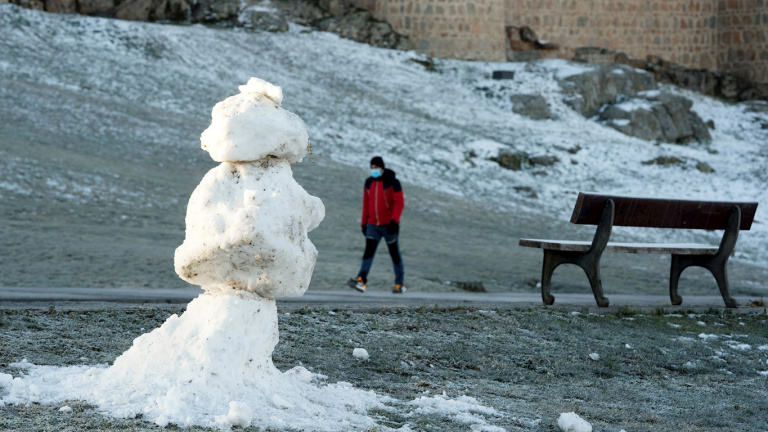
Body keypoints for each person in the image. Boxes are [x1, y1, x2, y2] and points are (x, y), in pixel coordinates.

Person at [347, 156, 406, 294]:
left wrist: (394, 221)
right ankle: (361, 280)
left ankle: (399, 284)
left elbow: (399, 203)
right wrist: (363, 223)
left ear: (382, 168)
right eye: (372, 168)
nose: (374, 170)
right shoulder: (368, 182)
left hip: (389, 226)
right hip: (372, 225)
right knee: (368, 253)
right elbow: (366, 204)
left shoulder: (393, 182)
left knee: (394, 254)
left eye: (376, 167)